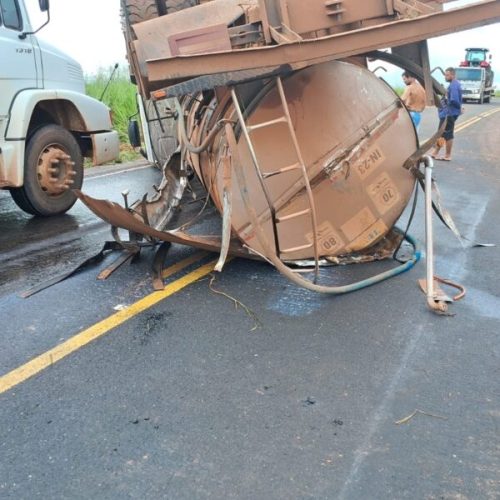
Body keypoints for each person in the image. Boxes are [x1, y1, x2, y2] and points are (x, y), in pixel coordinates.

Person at [431, 67, 463, 161]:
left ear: (453, 75)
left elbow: (454, 100)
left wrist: (459, 108)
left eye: (447, 75)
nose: (445, 76)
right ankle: (435, 152)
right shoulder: (455, 84)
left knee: (448, 134)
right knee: (442, 133)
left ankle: (448, 155)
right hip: (448, 113)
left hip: (449, 113)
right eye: (445, 75)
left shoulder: (453, 85)